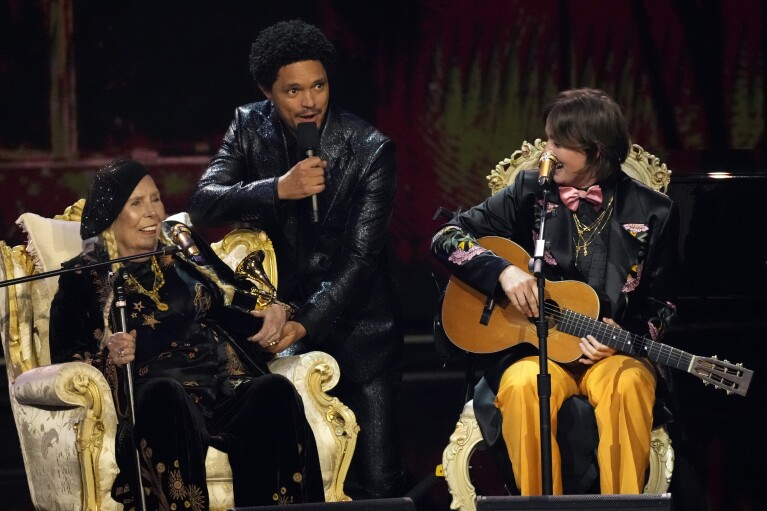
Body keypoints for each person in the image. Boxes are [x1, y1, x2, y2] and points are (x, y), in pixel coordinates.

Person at [187, 20, 407, 499]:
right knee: (294, 474)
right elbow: (203, 202)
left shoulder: (370, 149)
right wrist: (277, 189)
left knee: (378, 482)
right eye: (293, 91)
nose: (309, 101)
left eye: (319, 85)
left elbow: (361, 258)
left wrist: (305, 323)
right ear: (267, 91)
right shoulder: (249, 126)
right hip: (276, 325)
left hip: (359, 331)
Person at [431, 88, 679, 495]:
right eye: (547, 139)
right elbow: (446, 236)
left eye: (558, 144)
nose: (546, 153)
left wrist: (625, 338)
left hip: (613, 355)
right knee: (524, 386)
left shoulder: (655, 211)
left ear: (595, 152)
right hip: (535, 350)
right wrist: (502, 273)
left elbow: (664, 303)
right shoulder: (529, 191)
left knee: (629, 385)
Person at [50, 159, 325, 509]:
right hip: (160, 399)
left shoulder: (180, 245)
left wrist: (278, 311)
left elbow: (236, 297)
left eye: (155, 199)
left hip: (220, 388)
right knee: (167, 396)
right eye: (136, 204)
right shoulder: (83, 277)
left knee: (274, 391)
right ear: (111, 216)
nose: (152, 213)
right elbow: (65, 358)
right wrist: (110, 357)